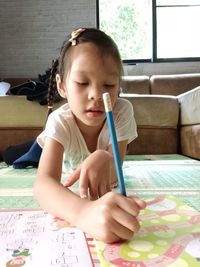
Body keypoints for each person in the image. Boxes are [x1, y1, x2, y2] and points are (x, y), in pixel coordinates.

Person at [34, 27, 146, 243]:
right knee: (23, 157)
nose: (96, 94)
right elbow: (44, 183)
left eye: (109, 85)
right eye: (82, 83)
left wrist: (106, 157)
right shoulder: (59, 121)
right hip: (66, 160)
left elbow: (115, 170)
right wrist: (83, 213)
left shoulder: (121, 111)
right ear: (62, 86)